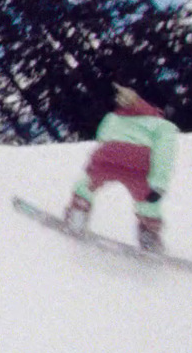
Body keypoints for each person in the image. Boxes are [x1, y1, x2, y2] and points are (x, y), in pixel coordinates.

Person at [63, 84, 179, 252]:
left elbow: (103, 136)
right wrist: (158, 185)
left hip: (109, 156)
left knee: (86, 185)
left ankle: (77, 215)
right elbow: (164, 155)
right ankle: (149, 237)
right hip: (138, 165)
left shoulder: (113, 117)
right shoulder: (163, 126)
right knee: (147, 201)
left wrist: (92, 166)